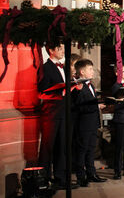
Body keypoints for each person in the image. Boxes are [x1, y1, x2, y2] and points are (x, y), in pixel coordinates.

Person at [38, 43, 69, 190]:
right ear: (50, 50)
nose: (63, 51)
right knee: (47, 146)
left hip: (63, 111)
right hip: (51, 112)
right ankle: (43, 179)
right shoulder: (45, 67)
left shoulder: (64, 67)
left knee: (61, 145)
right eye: (60, 48)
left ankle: (60, 178)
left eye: (63, 48)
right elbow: (42, 90)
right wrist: (59, 92)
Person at [74, 59, 107, 187]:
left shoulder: (91, 85)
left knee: (91, 150)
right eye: (90, 69)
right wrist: (97, 107)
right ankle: (80, 177)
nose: (92, 71)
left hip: (93, 123)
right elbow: (80, 107)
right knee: (82, 150)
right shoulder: (78, 87)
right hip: (84, 124)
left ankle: (91, 173)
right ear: (82, 72)